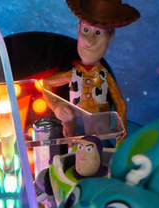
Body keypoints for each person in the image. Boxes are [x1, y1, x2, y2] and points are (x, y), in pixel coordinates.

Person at [42, 0, 139, 128]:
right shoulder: (72, 74)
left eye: (98, 33)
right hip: (76, 132)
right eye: (86, 30)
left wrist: (120, 131)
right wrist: (56, 106)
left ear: (110, 36)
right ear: (78, 29)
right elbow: (46, 83)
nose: (90, 41)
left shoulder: (104, 76)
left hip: (100, 130)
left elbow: (120, 104)